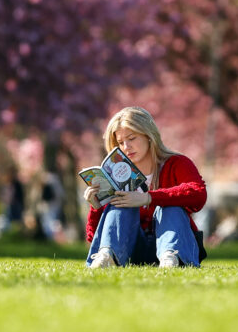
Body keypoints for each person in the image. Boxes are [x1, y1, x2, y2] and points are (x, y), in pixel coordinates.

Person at [84, 106, 207, 268]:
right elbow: (93, 236)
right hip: (130, 249)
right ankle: (108, 257)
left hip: (175, 245)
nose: (126, 147)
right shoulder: (116, 174)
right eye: (120, 143)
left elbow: (198, 193)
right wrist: (95, 206)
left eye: (132, 138)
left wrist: (148, 197)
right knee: (122, 203)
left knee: (171, 207)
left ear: (149, 136)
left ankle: (171, 259)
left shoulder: (178, 163)